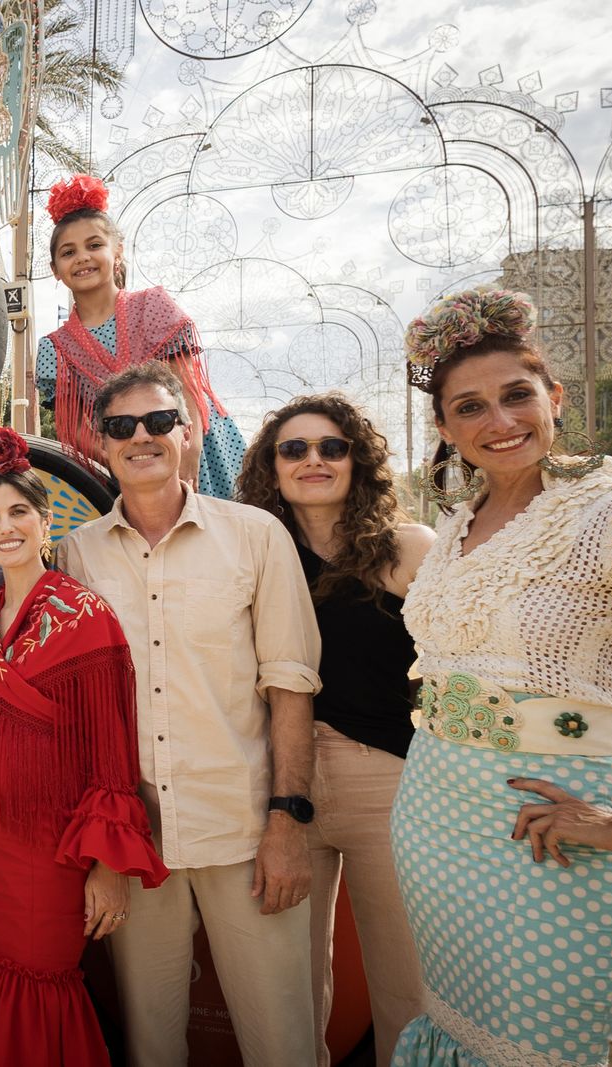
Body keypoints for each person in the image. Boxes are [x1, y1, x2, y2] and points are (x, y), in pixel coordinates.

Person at [55, 361, 322, 1066]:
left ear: (190, 433)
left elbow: (290, 686)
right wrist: (97, 849)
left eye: (159, 420)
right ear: (101, 445)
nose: (141, 436)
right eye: (121, 426)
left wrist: (289, 822)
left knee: (284, 1039)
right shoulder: (76, 554)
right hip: (134, 842)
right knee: (151, 1042)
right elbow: (79, 708)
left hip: (242, 833)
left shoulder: (257, 536)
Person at [390, 286, 612, 1065]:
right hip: (437, 822)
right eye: (470, 407)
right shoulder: (456, 526)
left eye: (517, 396)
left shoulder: (608, 514)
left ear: (554, 397)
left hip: (555, 833)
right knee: (460, 1028)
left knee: (544, 1044)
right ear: (445, 427)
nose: (500, 422)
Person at [0, 423, 167, 1067]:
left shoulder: (87, 617)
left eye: (19, 511)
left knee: (39, 985)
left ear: (44, 519)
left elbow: (111, 754)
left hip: (52, 852)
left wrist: (107, 867)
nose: (5, 527)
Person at [238, 394, 433, 1066]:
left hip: (386, 780)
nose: (313, 460)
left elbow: (461, 672)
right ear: (272, 466)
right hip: (276, 786)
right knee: (286, 992)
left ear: (359, 459)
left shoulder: (408, 550)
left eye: (331, 446)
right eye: (294, 448)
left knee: (409, 987)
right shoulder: (253, 554)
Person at [36, 173, 245, 498]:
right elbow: (74, 430)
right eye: (68, 252)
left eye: (94, 245)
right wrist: (128, 459)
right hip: (129, 458)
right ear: (55, 269)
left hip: (196, 445)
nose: (82, 258)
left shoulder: (152, 305)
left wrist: (189, 450)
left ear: (117, 252)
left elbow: (188, 387)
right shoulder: (55, 348)